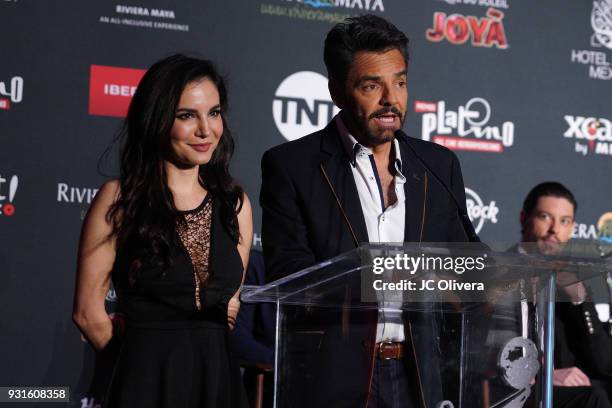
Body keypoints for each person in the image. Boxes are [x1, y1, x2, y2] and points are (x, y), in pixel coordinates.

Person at [260, 14, 472, 407]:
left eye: (400, 82)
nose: (391, 99)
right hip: (336, 377)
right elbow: (290, 277)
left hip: (421, 378)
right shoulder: (292, 166)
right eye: (372, 86)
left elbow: (469, 263)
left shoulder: (438, 165)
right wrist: (380, 277)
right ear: (337, 93)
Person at [73, 54, 252, 408]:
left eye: (213, 113)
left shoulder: (235, 204)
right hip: (144, 383)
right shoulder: (120, 200)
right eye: (187, 115)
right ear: (157, 118)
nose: (206, 130)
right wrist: (138, 369)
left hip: (218, 382)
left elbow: (230, 301)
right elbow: (88, 313)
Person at [516, 182, 612, 408]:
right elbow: (486, 351)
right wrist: (544, 375)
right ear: (524, 218)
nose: (554, 229)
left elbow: (603, 363)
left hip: (576, 389)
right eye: (545, 217)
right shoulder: (500, 273)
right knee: (594, 398)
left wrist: (580, 300)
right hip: (520, 388)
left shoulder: (578, 278)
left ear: (572, 228)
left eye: (564, 221)